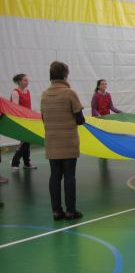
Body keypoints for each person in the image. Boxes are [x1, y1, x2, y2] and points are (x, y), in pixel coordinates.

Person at [40, 61, 85, 220]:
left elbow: (44, 118)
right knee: (69, 176)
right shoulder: (69, 93)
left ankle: (56, 211)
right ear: (65, 75)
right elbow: (80, 120)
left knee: (55, 176)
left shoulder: (44, 94)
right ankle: (70, 210)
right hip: (68, 142)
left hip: (52, 142)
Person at [10, 74, 37, 170]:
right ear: (19, 81)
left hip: (28, 120)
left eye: (27, 80)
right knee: (25, 141)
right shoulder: (15, 92)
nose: (27, 82)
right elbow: (15, 108)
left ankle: (26, 163)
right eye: (25, 80)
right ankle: (15, 162)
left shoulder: (27, 91)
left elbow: (28, 107)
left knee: (27, 141)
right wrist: (21, 121)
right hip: (20, 121)